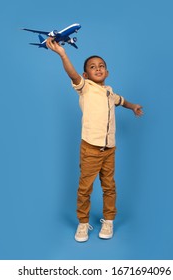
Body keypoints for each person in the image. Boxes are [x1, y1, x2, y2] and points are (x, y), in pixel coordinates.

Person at [46, 37, 143, 242]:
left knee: (109, 186)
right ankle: (83, 223)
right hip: (90, 148)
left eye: (101, 66)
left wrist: (133, 106)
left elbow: (121, 101)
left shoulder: (109, 92)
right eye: (92, 67)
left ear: (107, 72)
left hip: (109, 149)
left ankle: (108, 220)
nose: (97, 69)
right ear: (85, 74)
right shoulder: (85, 88)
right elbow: (71, 74)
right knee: (85, 188)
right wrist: (63, 54)